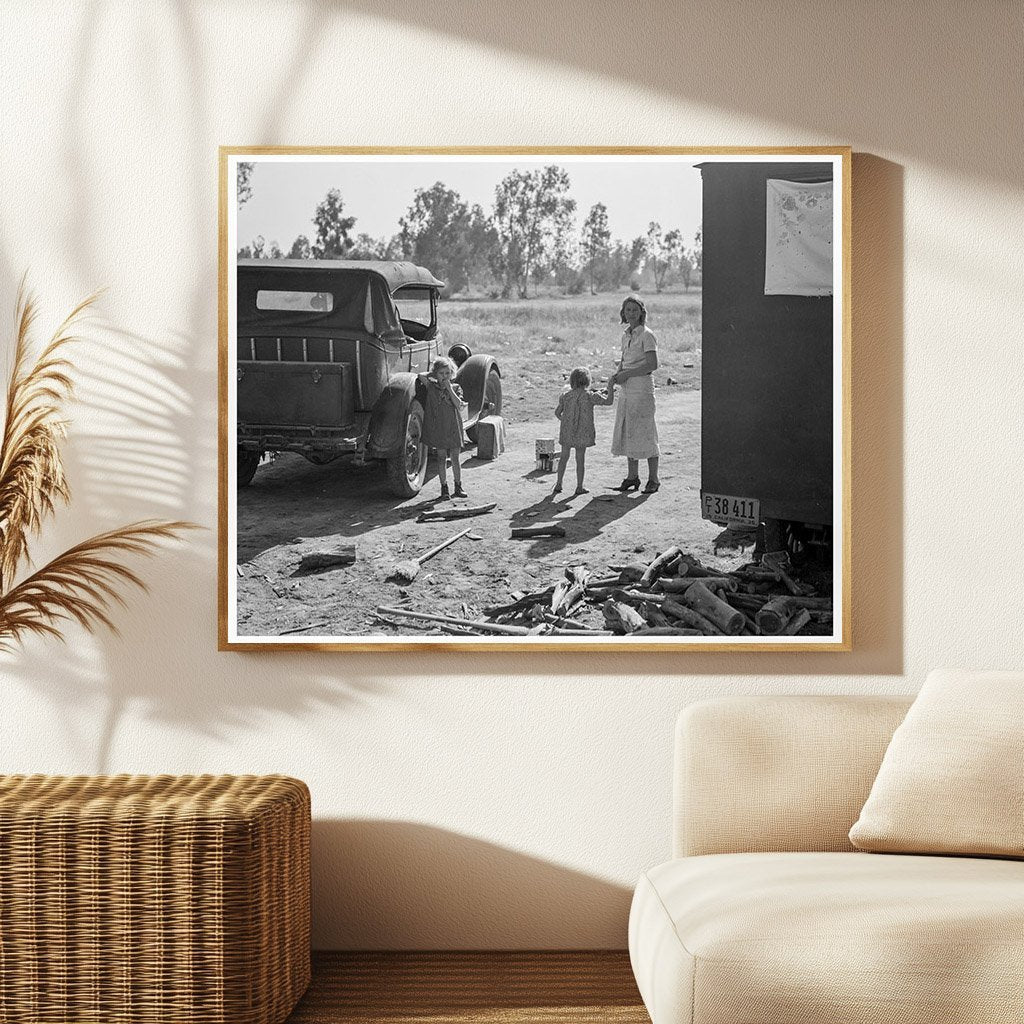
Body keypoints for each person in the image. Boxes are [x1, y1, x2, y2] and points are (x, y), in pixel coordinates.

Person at [609, 295, 661, 493]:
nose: (631, 313)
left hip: (641, 387)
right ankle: (632, 477)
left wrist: (627, 374)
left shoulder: (647, 335)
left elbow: (652, 364)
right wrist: (618, 374)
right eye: (628, 310)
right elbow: (624, 360)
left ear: (641, 313)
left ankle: (653, 479)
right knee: (628, 429)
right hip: (627, 389)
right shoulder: (626, 335)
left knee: (645, 430)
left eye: (635, 310)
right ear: (623, 312)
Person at [553, 367, 615, 496]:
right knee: (580, 460)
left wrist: (566, 421)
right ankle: (579, 486)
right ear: (587, 381)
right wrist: (610, 386)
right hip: (583, 433)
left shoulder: (566, 396)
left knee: (564, 458)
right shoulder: (590, 396)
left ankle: (559, 484)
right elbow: (609, 402)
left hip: (567, 432)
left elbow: (557, 413)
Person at [420, 356, 467, 499]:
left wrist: (449, 388)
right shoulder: (431, 387)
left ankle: (458, 486)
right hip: (439, 427)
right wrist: (433, 374)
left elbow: (459, 405)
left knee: (455, 458)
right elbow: (420, 376)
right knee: (441, 458)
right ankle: (444, 488)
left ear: (452, 374)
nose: (445, 376)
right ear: (436, 374)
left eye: (447, 373)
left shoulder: (456, 388)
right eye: (441, 373)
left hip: (453, 427)